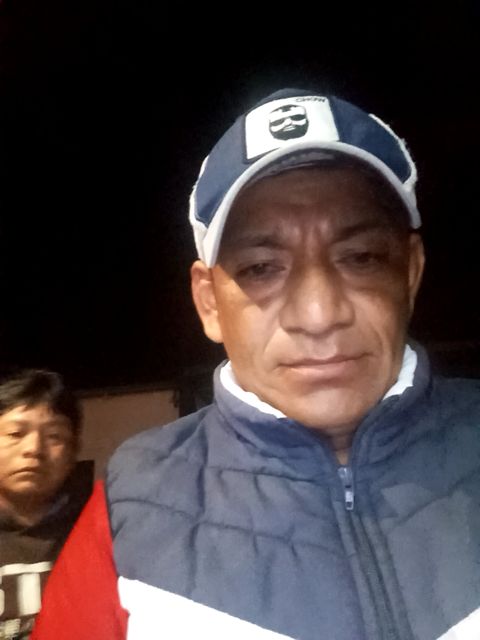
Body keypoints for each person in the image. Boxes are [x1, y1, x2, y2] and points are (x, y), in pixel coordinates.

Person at [32, 89, 480, 640]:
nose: (318, 315)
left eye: (361, 257)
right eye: (262, 268)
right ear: (209, 303)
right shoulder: (129, 512)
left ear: (409, 274)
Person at [0, 369, 87, 640]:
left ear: (73, 453)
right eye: (16, 433)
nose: (34, 449)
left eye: (54, 436)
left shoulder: (100, 532)